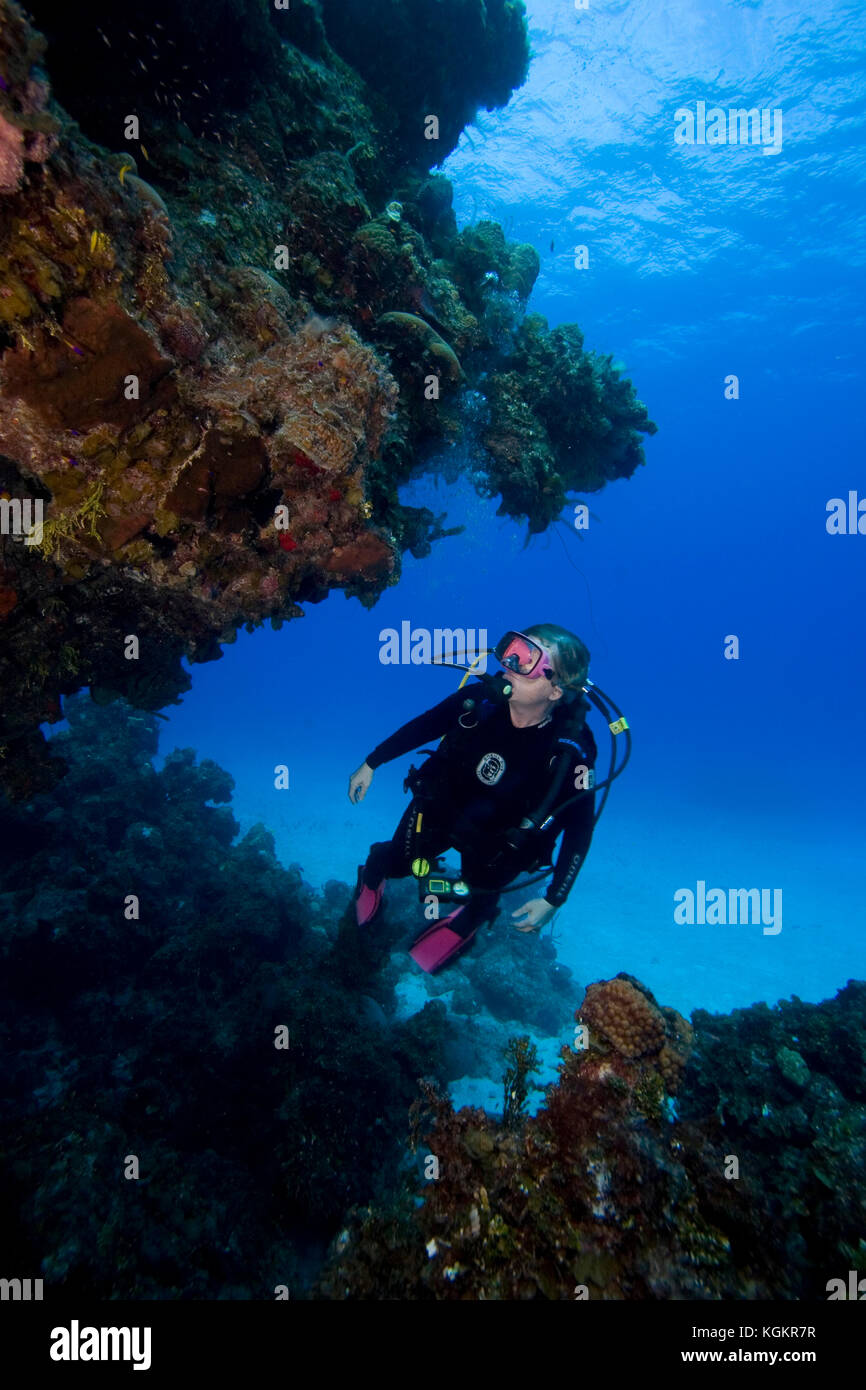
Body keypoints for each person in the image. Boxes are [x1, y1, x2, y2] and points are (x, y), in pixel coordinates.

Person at [347, 624, 598, 973]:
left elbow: (580, 826)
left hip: (500, 837)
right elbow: (426, 725)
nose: (509, 661)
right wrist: (372, 762)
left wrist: (555, 897)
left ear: (556, 690)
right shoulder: (478, 701)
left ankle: (467, 921)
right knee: (397, 862)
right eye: (512, 649)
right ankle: (373, 873)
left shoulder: (571, 752)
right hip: (443, 805)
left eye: (527, 659)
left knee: (483, 894)